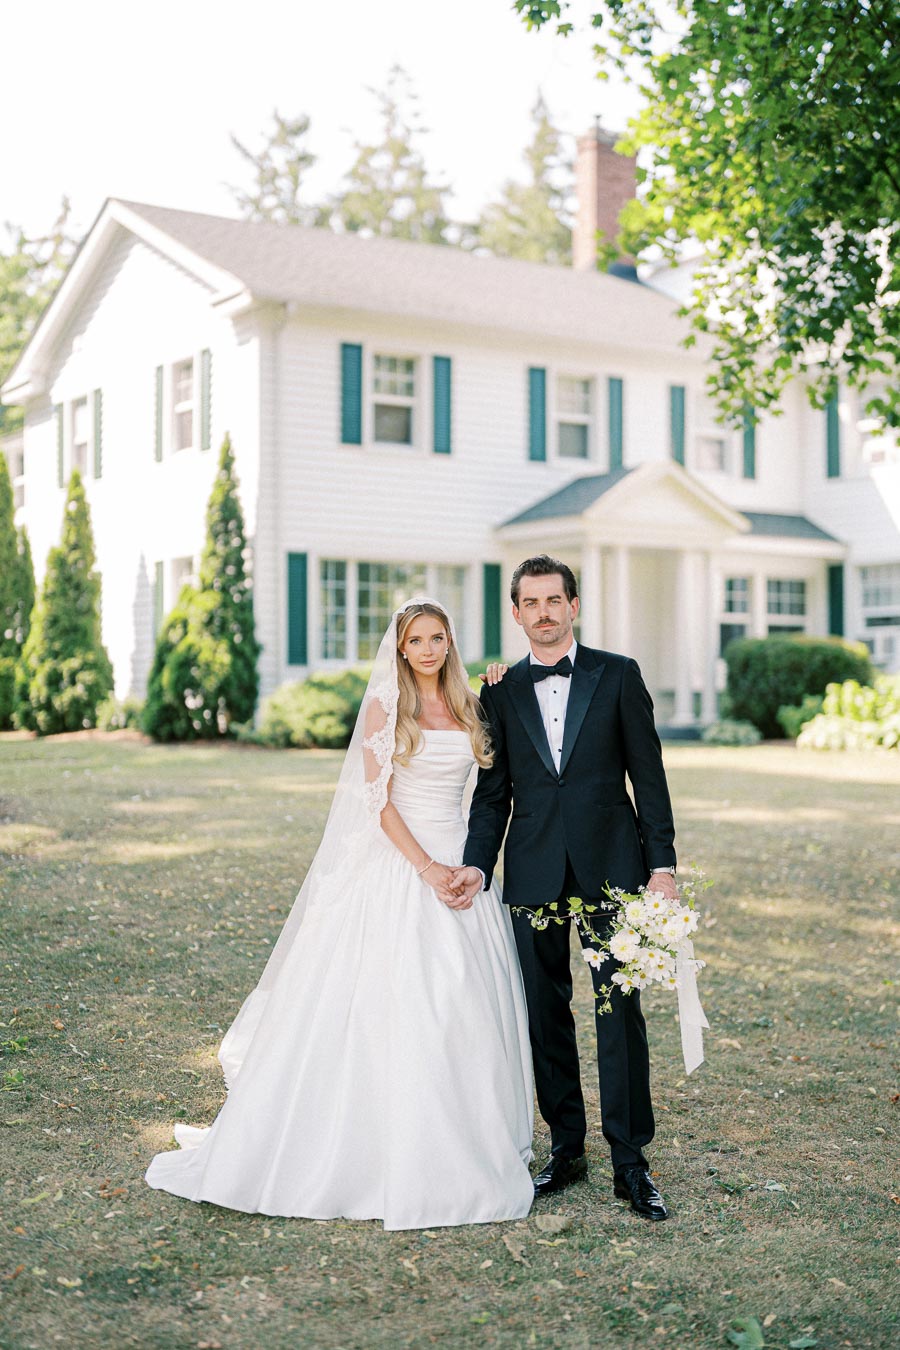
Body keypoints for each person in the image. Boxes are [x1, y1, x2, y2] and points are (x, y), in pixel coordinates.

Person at [145, 598, 534, 1231]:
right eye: (418, 639)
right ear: (401, 648)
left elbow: (491, 785)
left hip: (463, 869)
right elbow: (378, 804)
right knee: (401, 1005)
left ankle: (465, 1134)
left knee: (463, 1006)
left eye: (439, 637)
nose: (430, 649)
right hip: (405, 866)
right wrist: (427, 869)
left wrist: (460, 866)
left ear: (449, 643)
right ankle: (378, 1146)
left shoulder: (470, 704)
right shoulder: (387, 707)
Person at [450, 555, 677, 1221]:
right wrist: (475, 863)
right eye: (532, 602)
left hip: (616, 867)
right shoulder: (500, 692)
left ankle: (631, 1162)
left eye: (556, 600)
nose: (545, 613)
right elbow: (493, 798)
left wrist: (661, 865)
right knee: (544, 1014)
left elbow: (649, 778)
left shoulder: (618, 675)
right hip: (534, 871)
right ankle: (567, 1147)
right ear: (516, 613)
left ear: (574, 606)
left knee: (619, 1013)